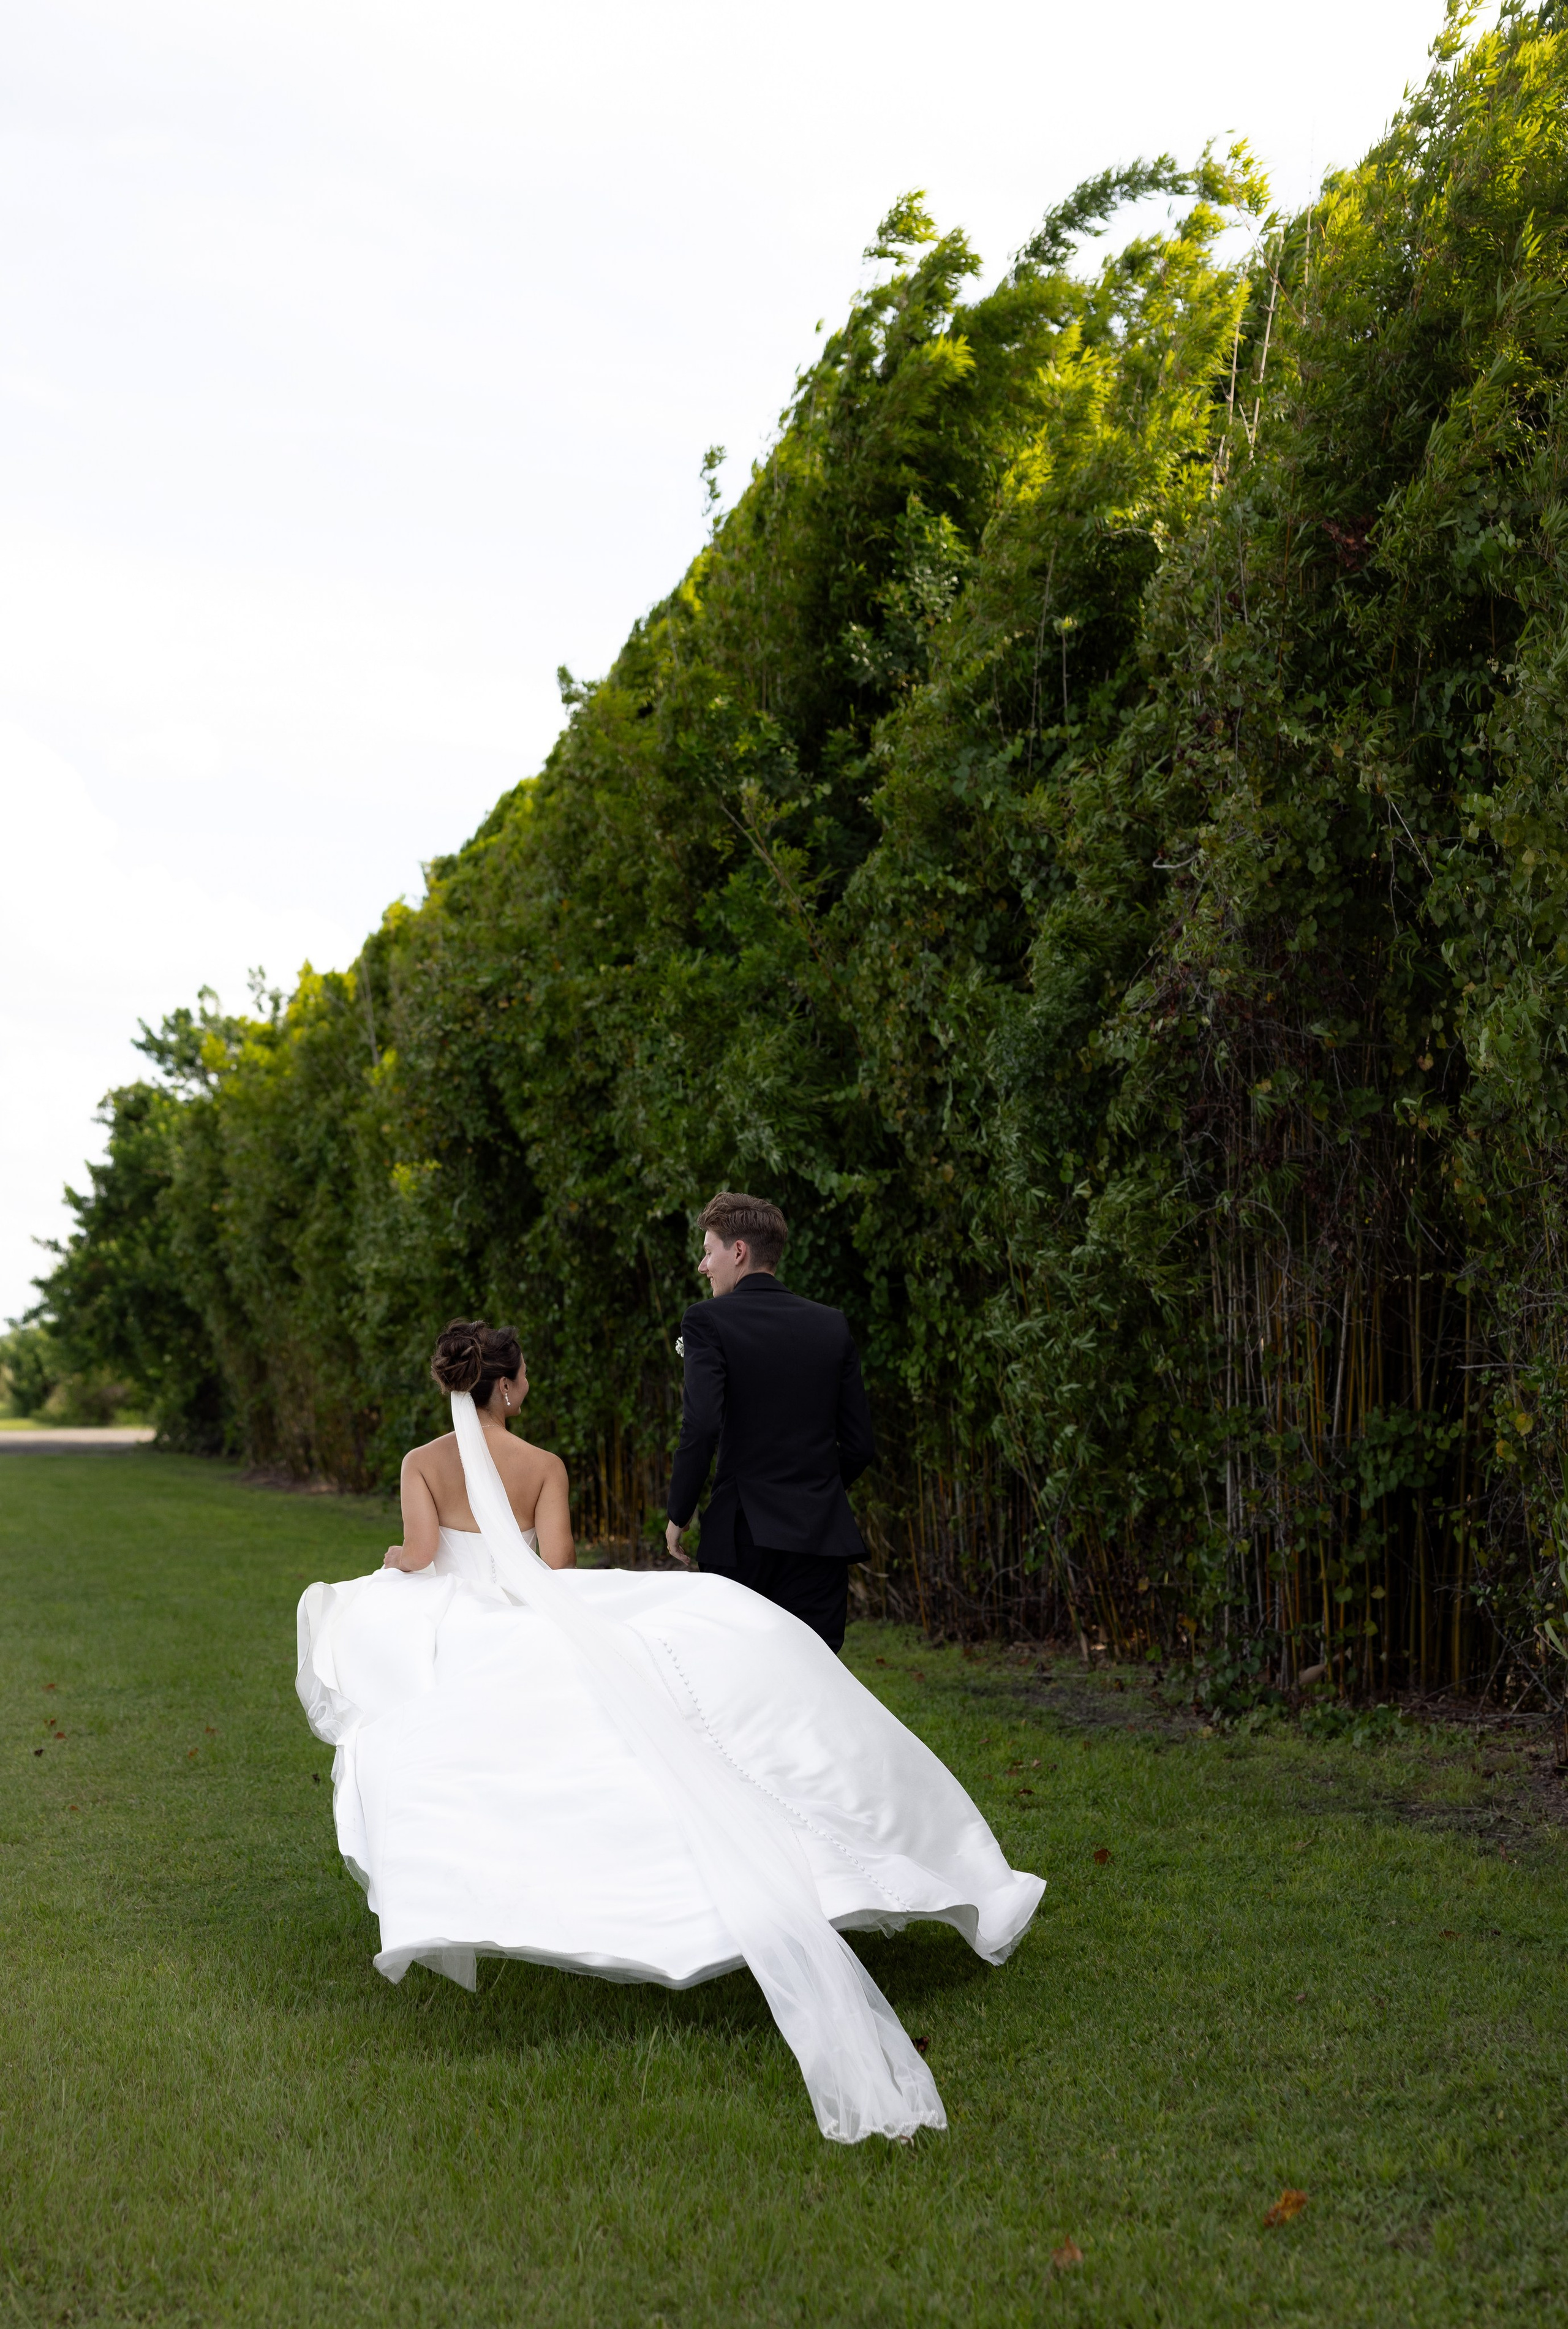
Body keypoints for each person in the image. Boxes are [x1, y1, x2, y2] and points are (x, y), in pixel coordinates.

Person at [296, 1318, 1044, 2146]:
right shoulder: (542, 1465)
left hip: (463, 1614)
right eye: (527, 1373)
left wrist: (398, 1560)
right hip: (531, 1602)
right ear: (506, 1386)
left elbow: (424, 1549)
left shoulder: (421, 1464)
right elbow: (558, 1567)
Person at [663, 1191, 870, 1651]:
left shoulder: (706, 1321)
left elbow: (701, 1425)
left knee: (740, 1680)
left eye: (708, 1250)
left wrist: (680, 1512)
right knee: (819, 1680)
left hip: (743, 1538)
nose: (703, 1266)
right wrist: (813, 1491)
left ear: (738, 1252)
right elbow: (859, 1446)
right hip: (820, 1536)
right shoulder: (831, 1325)